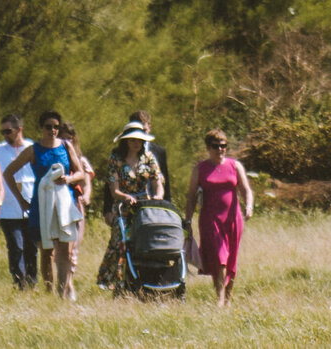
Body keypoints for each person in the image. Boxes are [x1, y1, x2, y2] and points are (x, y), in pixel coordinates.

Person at [6, 110, 85, 301]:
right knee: (47, 251)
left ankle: (64, 292)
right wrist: (21, 200)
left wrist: (70, 178)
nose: (53, 130)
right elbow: (9, 173)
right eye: (48, 126)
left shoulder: (66, 147)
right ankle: (50, 293)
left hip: (64, 203)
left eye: (56, 127)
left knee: (65, 250)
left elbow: (81, 173)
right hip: (41, 204)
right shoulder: (33, 150)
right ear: (41, 128)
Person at [182, 128, 250, 306]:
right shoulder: (200, 169)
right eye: (215, 146)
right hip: (210, 219)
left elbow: (245, 189)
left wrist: (248, 205)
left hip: (232, 218)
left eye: (223, 146)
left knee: (231, 259)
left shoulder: (235, 166)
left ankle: (227, 298)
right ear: (208, 147)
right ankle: (219, 298)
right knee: (219, 257)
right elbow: (190, 197)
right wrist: (187, 220)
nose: (220, 149)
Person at [97, 121, 168, 290]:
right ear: (126, 141)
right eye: (132, 140)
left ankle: (145, 278)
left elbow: (157, 180)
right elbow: (114, 190)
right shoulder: (116, 158)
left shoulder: (148, 157)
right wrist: (125, 197)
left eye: (139, 139)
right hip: (122, 207)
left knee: (145, 241)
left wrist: (158, 196)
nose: (136, 143)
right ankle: (117, 283)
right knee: (120, 242)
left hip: (144, 207)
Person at [0, 115, 39, 290]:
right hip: (9, 208)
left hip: (32, 205)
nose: (5, 135)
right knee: (16, 246)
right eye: (2, 132)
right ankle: (20, 281)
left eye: (8, 131)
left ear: (19, 129)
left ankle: (32, 282)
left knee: (32, 247)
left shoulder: (32, 147)